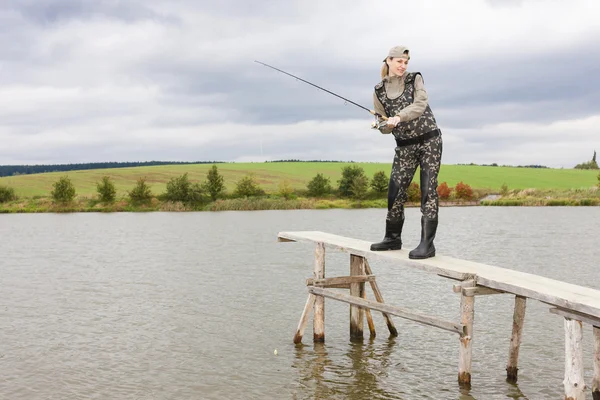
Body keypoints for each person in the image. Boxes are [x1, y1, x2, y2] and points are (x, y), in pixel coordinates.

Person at [369, 45, 443, 259]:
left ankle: (427, 245)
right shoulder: (379, 90)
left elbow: (420, 105)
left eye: (406, 62)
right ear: (389, 61)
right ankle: (392, 238)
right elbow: (381, 125)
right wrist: (387, 126)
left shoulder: (415, 80)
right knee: (395, 191)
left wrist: (399, 117)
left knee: (428, 190)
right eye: (399, 61)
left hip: (429, 140)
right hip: (404, 146)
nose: (403, 66)